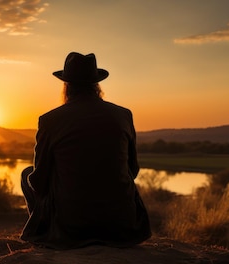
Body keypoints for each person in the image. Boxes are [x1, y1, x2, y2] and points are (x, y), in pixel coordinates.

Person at [20, 52, 151, 249]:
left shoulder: (50, 120)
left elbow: (39, 181)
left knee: (27, 174)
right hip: (122, 226)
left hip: (72, 228)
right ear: (97, 85)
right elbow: (132, 170)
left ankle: (46, 232)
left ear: (67, 86)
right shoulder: (124, 115)